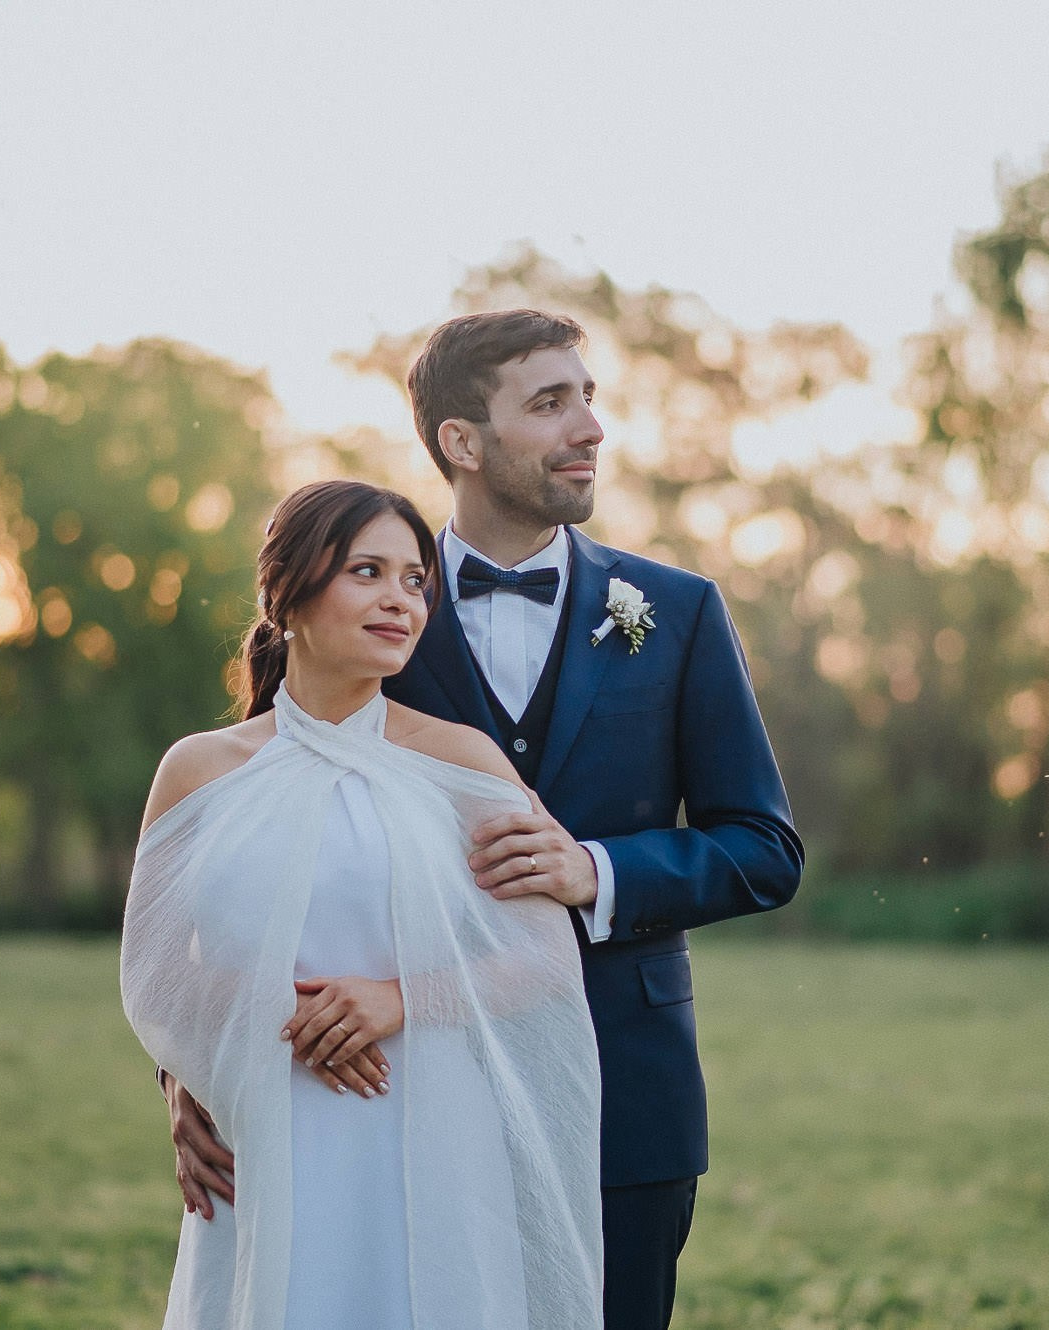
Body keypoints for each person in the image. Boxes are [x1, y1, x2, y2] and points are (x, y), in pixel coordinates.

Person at [165, 310, 805, 1330]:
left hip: (621, 1102)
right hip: (389, 1105)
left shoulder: (674, 613)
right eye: (550, 402)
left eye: (587, 397)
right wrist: (190, 1071)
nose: (589, 426)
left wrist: (592, 868)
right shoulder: (369, 610)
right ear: (461, 442)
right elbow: (237, 850)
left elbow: (764, 849)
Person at [121, 479, 602, 1330]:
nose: (400, 601)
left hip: (428, 1119)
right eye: (367, 572)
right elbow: (159, 966)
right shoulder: (199, 771)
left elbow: (540, 959)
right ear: (285, 596)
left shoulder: (463, 764)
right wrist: (189, 1078)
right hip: (264, 1126)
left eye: (415, 580)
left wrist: (396, 999)